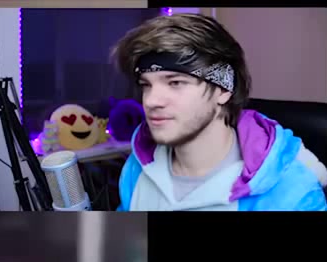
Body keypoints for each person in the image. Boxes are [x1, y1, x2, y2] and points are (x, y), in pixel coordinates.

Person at [110, 13, 327, 211]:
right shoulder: (137, 168)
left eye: (175, 83)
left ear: (223, 89)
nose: (151, 101)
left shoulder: (292, 197)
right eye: (146, 85)